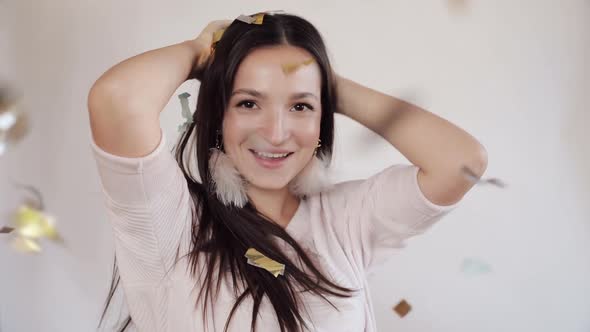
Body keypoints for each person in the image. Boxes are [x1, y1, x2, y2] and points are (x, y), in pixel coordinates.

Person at [88, 12, 487, 332]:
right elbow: (117, 100)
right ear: (218, 116)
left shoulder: (346, 218)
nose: (276, 134)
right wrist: (200, 53)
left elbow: (461, 163)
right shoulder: (171, 227)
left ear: (321, 119)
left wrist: (322, 81)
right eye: (248, 104)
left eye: (300, 107)